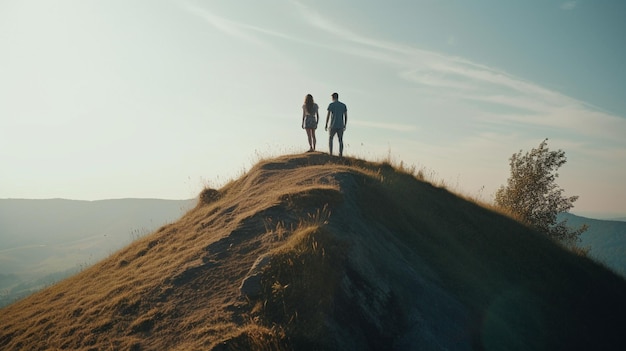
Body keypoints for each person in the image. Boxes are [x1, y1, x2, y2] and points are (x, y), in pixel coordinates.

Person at [325, 92, 348, 157]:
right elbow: (345, 116)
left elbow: (328, 115)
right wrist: (345, 124)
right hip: (340, 124)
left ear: (333, 97)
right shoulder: (343, 105)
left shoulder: (331, 105)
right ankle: (340, 154)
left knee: (330, 138)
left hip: (333, 124)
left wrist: (326, 124)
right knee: (340, 140)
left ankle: (331, 153)